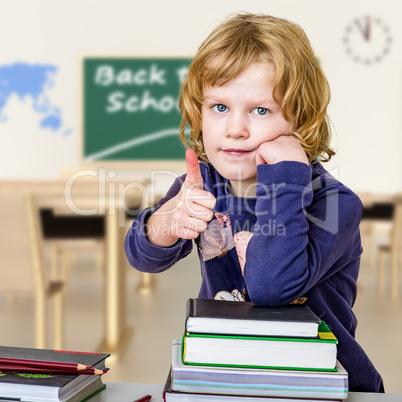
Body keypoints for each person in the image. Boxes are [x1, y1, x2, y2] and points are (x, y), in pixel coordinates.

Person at [125, 13, 384, 392]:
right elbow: (143, 256)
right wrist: (167, 219)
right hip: (225, 370)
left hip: (319, 381)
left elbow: (271, 287)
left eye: (260, 110)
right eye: (219, 107)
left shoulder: (335, 205)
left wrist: (284, 177)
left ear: (300, 118)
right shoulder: (202, 186)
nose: (235, 128)